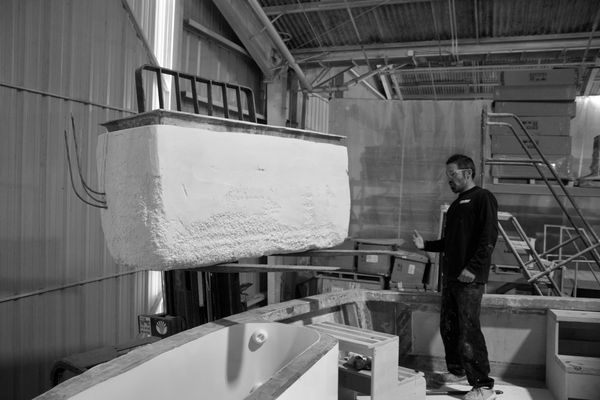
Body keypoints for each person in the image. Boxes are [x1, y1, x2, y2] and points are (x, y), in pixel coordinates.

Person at [412, 154, 498, 400]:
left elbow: (489, 238)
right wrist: (425, 245)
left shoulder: (483, 198)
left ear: (467, 173)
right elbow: (450, 243)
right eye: (447, 175)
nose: (448, 179)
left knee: (469, 330)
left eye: (452, 174)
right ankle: (458, 371)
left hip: (469, 279)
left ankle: (484, 385)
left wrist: (473, 268)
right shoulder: (457, 204)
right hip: (451, 278)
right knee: (449, 327)